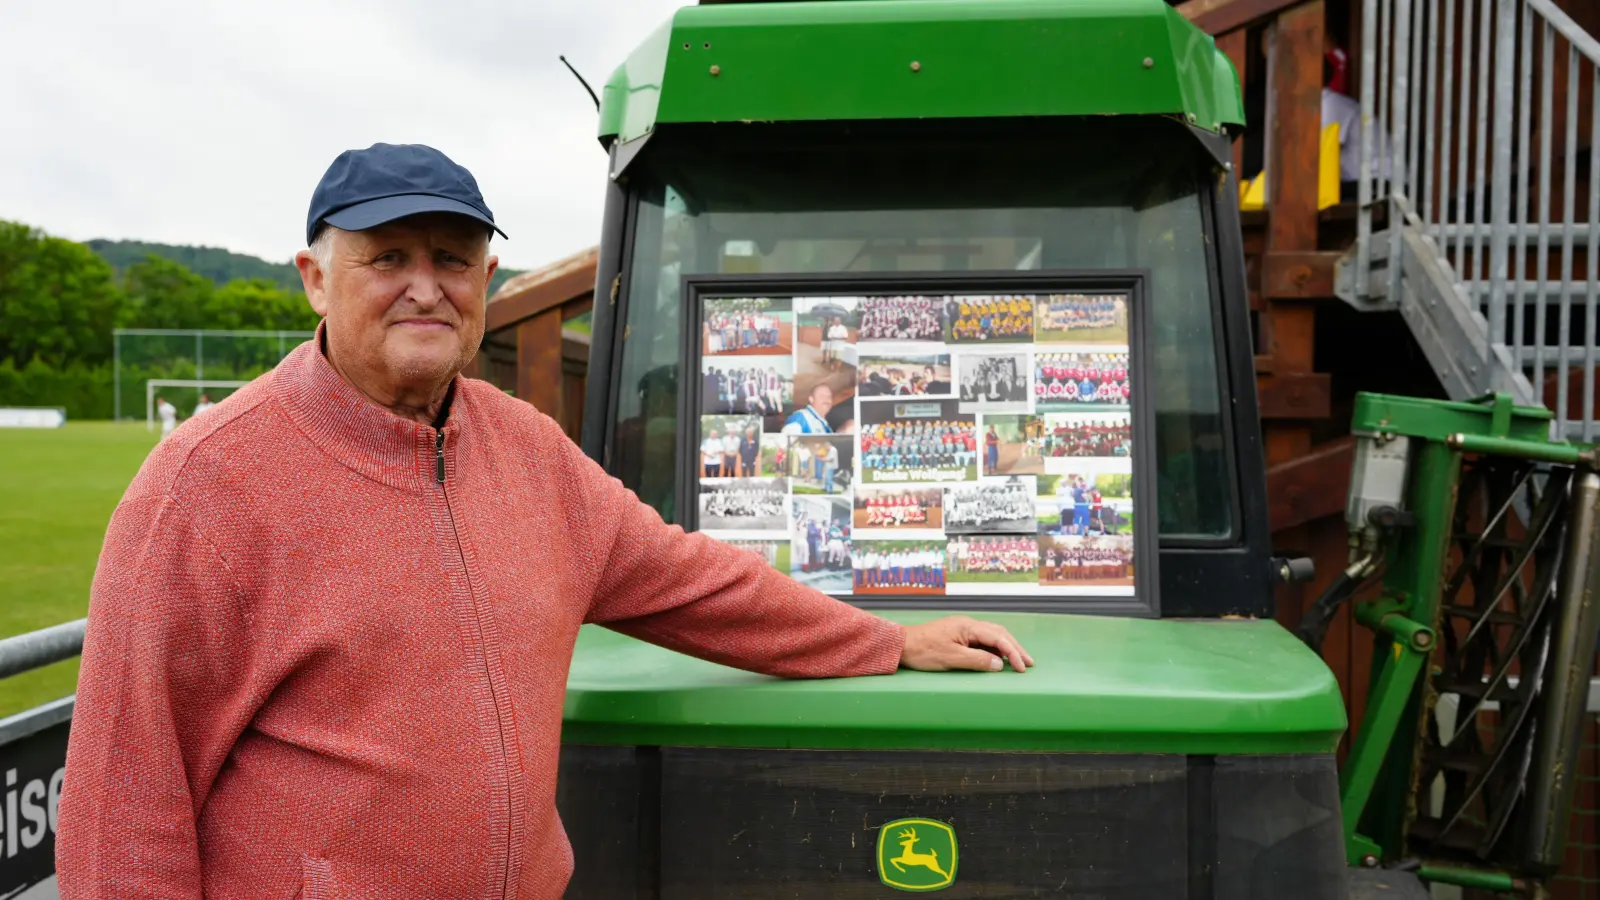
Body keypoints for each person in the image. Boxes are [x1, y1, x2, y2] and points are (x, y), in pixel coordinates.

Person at [55, 142, 1034, 899]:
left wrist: (887, 639)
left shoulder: (527, 451)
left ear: (488, 278)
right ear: (314, 276)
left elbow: (695, 582)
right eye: (387, 256)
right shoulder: (204, 481)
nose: (426, 285)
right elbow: (122, 802)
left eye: (454, 256)